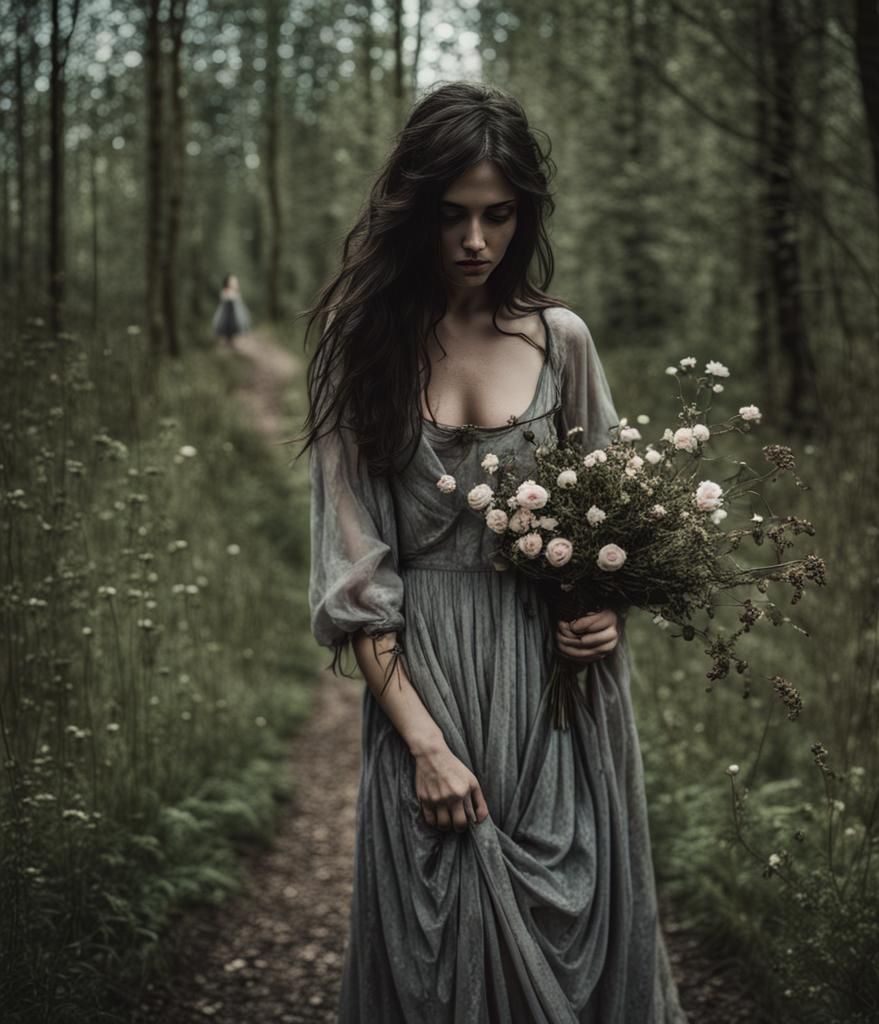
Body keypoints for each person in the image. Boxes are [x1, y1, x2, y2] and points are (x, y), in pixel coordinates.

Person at [299, 81, 688, 1023]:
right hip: (427, 685)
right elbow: (356, 578)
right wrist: (424, 745)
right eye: (452, 215)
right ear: (415, 211)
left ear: (526, 214)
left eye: (499, 215)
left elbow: (614, 523)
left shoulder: (562, 341)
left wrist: (605, 609)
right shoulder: (364, 347)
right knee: (436, 951)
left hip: (558, 695)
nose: (476, 240)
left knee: (574, 938)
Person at [211, 273, 252, 348]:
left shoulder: (235, 293)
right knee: (227, 327)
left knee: (233, 327)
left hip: (234, 315)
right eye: (232, 282)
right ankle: (228, 340)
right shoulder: (226, 292)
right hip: (227, 315)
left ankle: (231, 340)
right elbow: (225, 299)